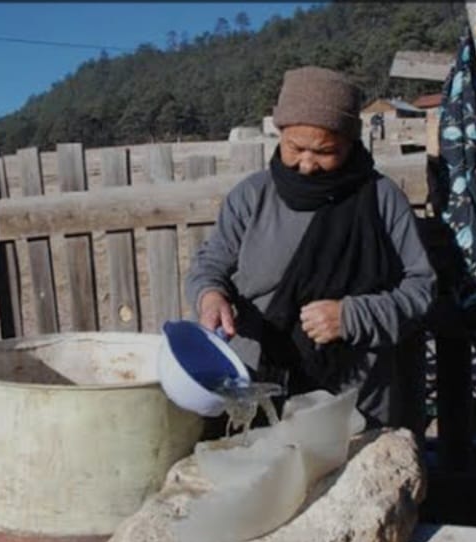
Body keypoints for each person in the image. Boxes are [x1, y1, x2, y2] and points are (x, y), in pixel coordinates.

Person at [184, 66, 436, 434]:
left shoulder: (381, 201)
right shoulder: (252, 196)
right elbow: (211, 263)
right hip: (257, 390)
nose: (306, 163)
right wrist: (209, 295)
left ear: (351, 142)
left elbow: (421, 290)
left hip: (352, 401)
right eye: (295, 148)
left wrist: (354, 315)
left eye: (324, 152)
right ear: (280, 134)